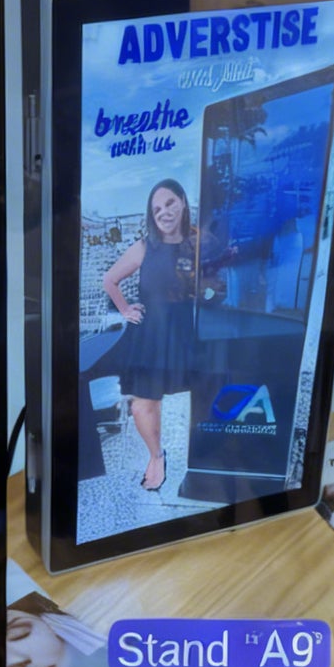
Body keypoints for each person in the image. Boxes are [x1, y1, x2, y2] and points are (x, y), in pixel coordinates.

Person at [100, 178, 206, 494]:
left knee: (208, 397)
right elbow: (110, 280)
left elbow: (219, 273)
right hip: (152, 337)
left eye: (170, 203)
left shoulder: (199, 241)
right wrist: (125, 310)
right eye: (157, 208)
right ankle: (157, 457)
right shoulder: (144, 247)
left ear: (183, 202)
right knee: (142, 406)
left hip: (192, 334)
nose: (164, 212)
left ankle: (207, 461)